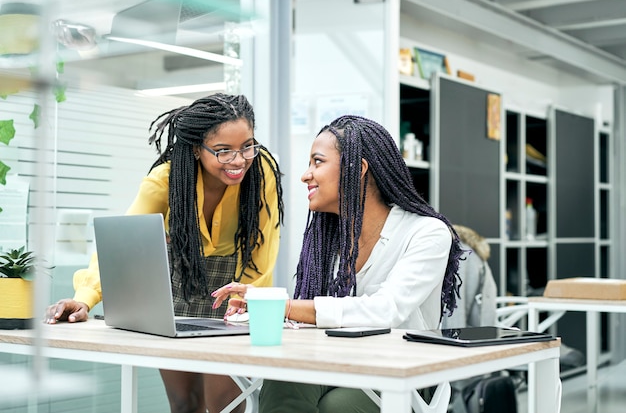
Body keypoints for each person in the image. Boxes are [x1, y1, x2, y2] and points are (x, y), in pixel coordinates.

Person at [45, 93, 284, 413]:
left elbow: (263, 250)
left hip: (232, 294)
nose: (239, 160)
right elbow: (122, 246)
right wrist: (85, 296)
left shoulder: (262, 171)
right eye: (224, 151)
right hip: (178, 289)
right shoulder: (167, 179)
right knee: (185, 404)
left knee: (226, 405)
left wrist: (248, 301)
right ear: (198, 149)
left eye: (247, 146)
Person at [212, 115, 464, 413]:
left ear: (357, 169)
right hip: (337, 361)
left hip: (400, 373)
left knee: (336, 407)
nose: (306, 175)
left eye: (317, 162)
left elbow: (386, 310)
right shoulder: (328, 237)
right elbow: (319, 318)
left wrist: (285, 306)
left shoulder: (426, 232)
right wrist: (263, 308)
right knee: (283, 378)